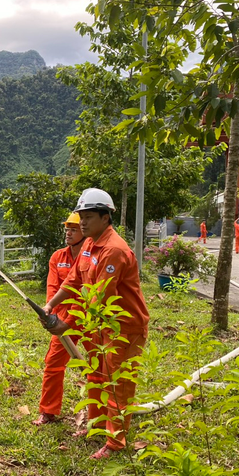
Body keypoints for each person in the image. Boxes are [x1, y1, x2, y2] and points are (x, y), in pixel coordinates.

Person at [41, 188, 149, 460]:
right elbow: (75, 281)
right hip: (101, 324)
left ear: (105, 217)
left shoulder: (113, 250)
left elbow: (99, 298)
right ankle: (98, 426)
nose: (82, 223)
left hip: (123, 327)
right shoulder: (90, 244)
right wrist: (51, 305)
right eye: (81, 216)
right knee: (98, 376)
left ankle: (115, 444)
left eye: (88, 217)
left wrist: (65, 324)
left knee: (117, 384)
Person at [32, 213, 87, 426]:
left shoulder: (91, 258)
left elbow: (85, 292)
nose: (69, 233)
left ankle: (104, 417)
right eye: (67, 229)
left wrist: (69, 321)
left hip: (89, 315)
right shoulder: (57, 257)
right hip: (63, 316)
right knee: (53, 363)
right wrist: (48, 311)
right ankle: (48, 411)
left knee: (99, 363)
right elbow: (53, 287)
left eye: (74, 229)